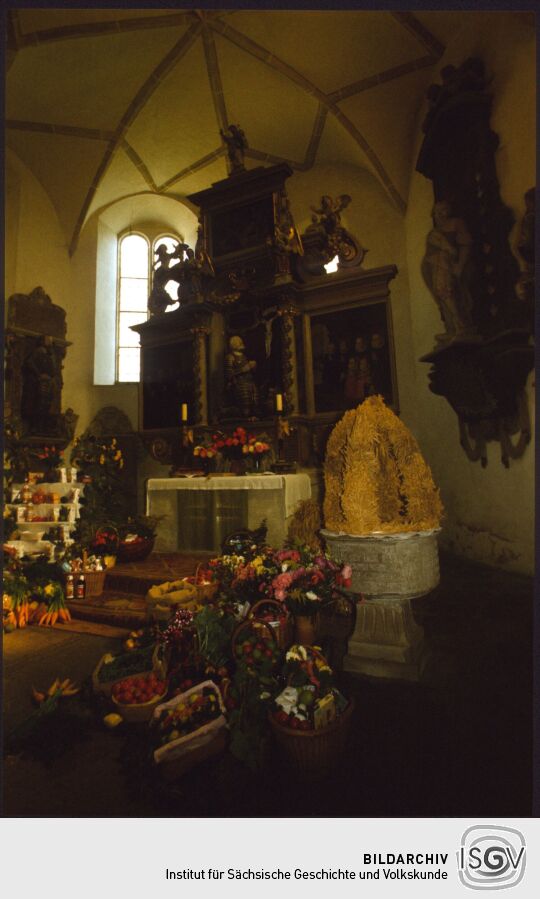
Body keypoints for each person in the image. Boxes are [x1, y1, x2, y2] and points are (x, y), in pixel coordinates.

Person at [421, 200, 476, 343]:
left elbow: (465, 245)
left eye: (443, 210)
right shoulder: (434, 233)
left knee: (447, 292)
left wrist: (460, 265)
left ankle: (462, 325)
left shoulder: (456, 223)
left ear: (449, 211)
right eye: (436, 211)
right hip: (435, 268)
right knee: (441, 296)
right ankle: (451, 327)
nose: (439, 214)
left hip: (448, 265)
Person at [225, 335, 258, 418]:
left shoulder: (243, 356)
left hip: (250, 382)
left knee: (255, 401)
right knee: (245, 404)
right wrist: (243, 369)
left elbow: (248, 370)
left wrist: (252, 367)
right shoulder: (230, 357)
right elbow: (229, 374)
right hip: (240, 384)